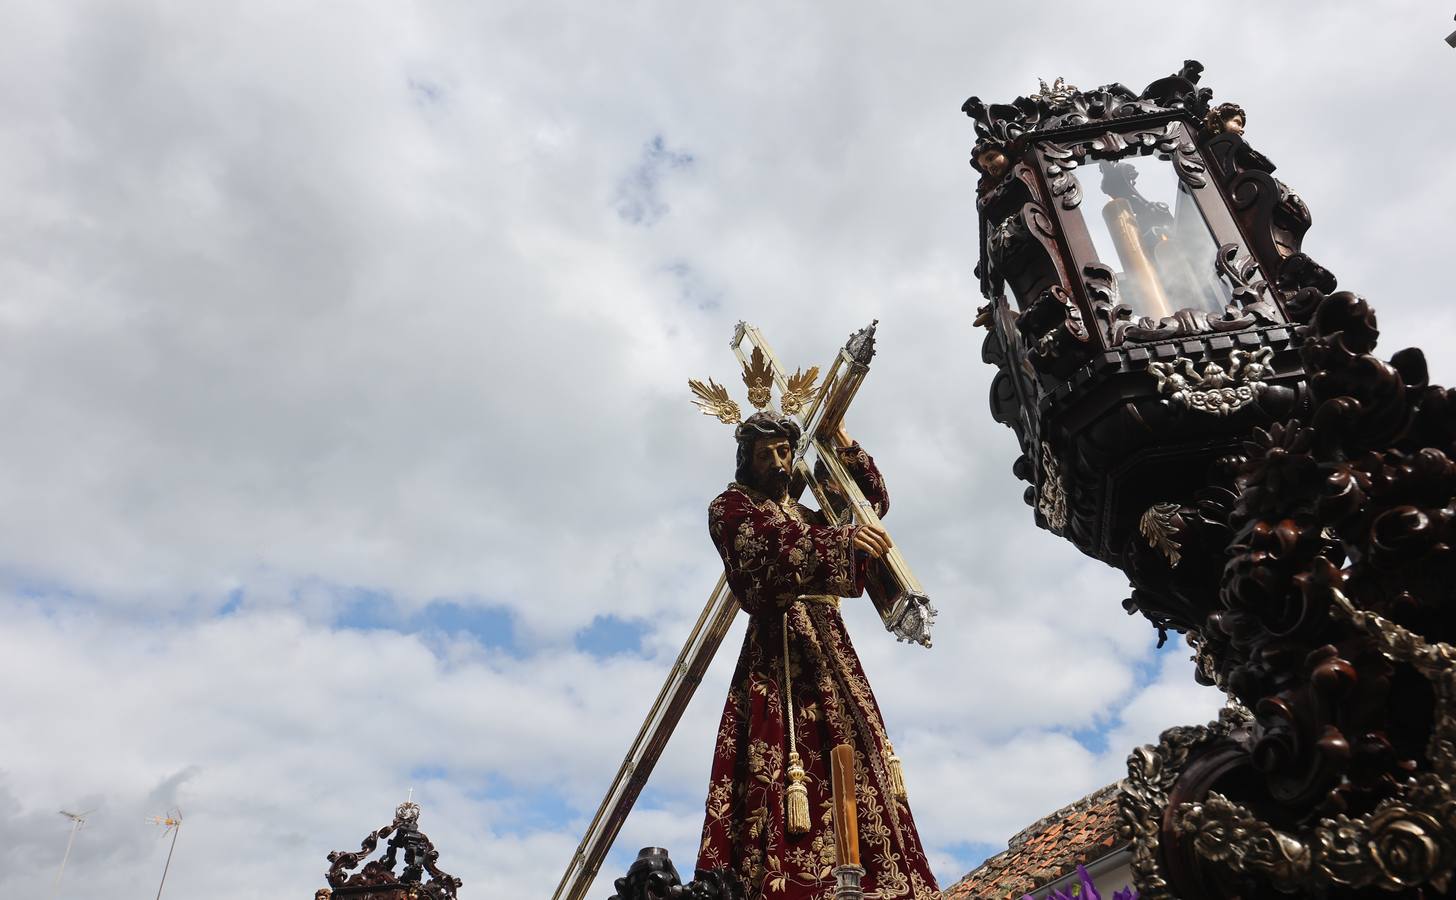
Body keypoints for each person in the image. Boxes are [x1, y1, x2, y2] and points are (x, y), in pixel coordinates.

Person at [695, 411, 939, 900]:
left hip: (830, 649)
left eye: (786, 451)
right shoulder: (731, 507)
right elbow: (760, 555)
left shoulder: (809, 515)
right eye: (767, 454)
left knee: (857, 758)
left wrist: (840, 439)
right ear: (748, 459)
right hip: (778, 654)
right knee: (783, 767)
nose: (780, 462)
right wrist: (839, 542)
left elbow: (866, 506)